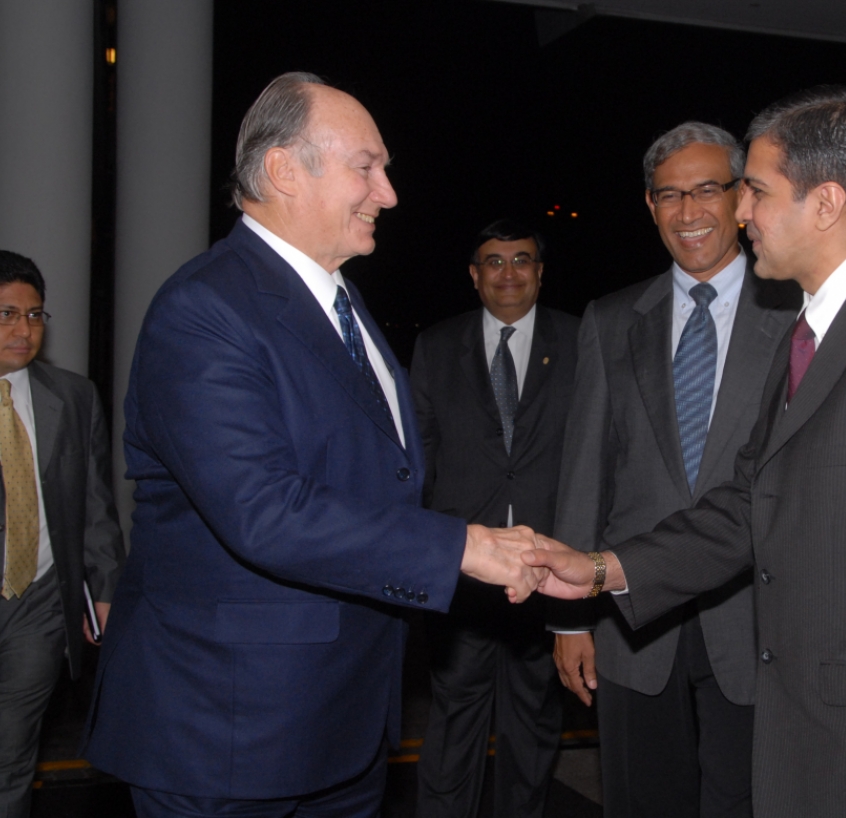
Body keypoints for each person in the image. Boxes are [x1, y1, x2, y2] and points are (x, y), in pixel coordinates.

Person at [530, 86, 846, 818]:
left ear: (826, 203)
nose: (739, 215)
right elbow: (749, 503)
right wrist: (598, 569)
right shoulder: (812, 329)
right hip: (812, 740)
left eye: (757, 193)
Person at [82, 72, 544, 818]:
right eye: (366, 166)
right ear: (284, 171)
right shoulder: (203, 309)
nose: (387, 192)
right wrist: (460, 547)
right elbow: (263, 510)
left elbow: (380, 474)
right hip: (232, 733)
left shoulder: (338, 296)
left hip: (342, 720)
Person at [552, 122, 799, 818]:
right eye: (668, 195)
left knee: (747, 800)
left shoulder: (794, 313)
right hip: (634, 622)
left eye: (705, 191)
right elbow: (584, 471)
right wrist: (569, 620)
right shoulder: (611, 318)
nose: (687, 213)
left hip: (757, 612)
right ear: (649, 206)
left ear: (741, 197)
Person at [411, 220, 578, 818]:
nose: (509, 273)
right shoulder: (435, 346)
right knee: (454, 719)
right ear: (475, 275)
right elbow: (419, 457)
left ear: (540, 271)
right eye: (494, 261)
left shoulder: (583, 341)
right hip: (463, 570)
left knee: (533, 726)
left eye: (522, 260)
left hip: (549, 569)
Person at [0, 251, 125, 818]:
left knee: (12, 754)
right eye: (6, 314)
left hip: (41, 602)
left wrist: (103, 585)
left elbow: (96, 503)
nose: (23, 330)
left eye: (34, 315)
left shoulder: (72, 397)